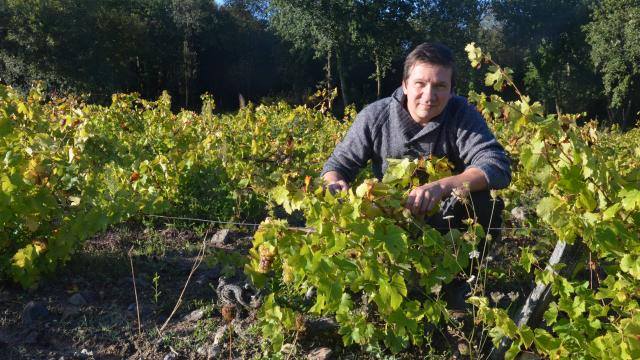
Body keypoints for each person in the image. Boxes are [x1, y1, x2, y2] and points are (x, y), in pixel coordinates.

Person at [321, 43, 511, 232]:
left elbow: (496, 165)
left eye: (440, 86)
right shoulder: (375, 117)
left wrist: (441, 187)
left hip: (447, 218)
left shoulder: (461, 114)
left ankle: (468, 262)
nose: (429, 96)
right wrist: (334, 183)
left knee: (486, 202)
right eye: (420, 84)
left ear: (452, 91)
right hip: (389, 219)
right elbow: (337, 166)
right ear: (405, 85)